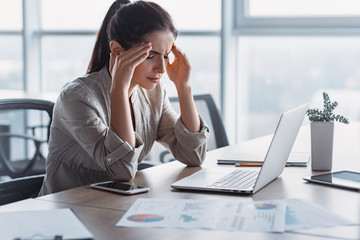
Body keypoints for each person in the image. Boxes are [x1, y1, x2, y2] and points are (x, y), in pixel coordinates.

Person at [39, 0, 209, 195]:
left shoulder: (153, 93)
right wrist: (119, 89)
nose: (162, 69)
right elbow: (122, 170)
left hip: (117, 207)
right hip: (68, 213)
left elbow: (193, 155)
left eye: (165, 56)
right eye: (150, 56)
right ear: (118, 51)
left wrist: (183, 86)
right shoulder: (77, 98)